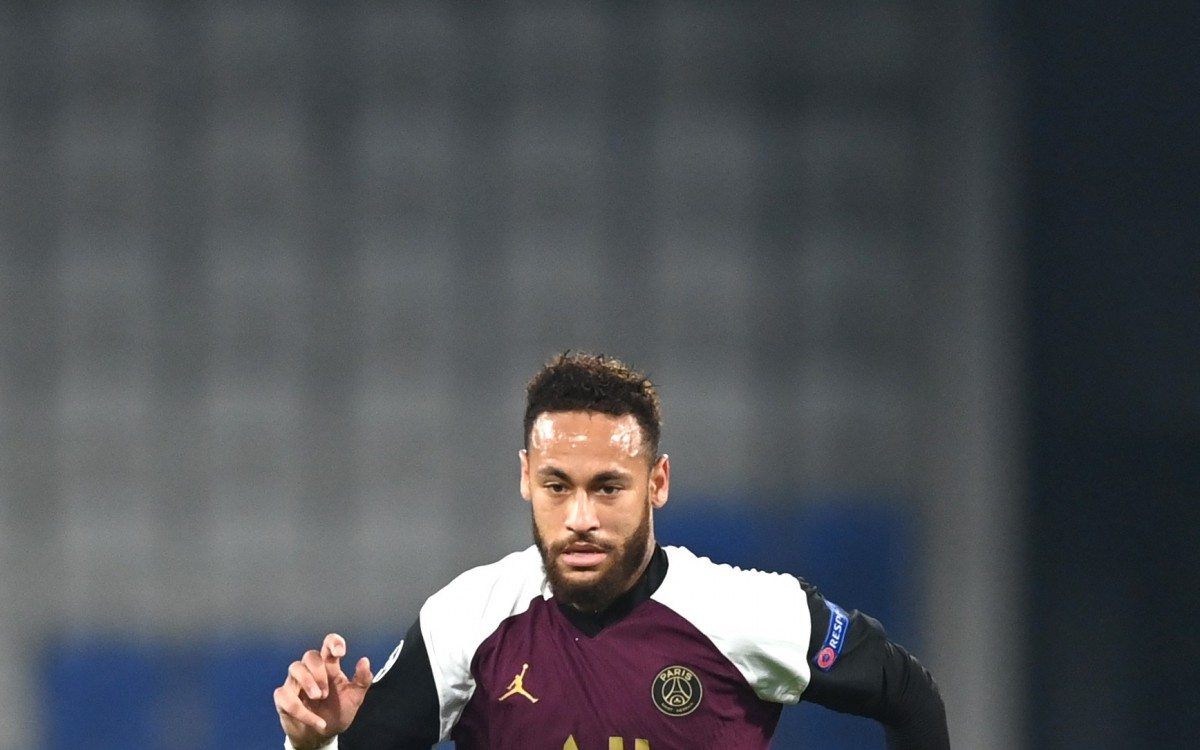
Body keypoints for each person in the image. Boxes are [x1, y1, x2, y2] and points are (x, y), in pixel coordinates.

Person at [274, 352, 950, 749]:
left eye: (608, 488)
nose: (580, 519)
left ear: (657, 483)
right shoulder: (468, 619)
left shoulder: (747, 611)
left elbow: (907, 693)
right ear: (524, 478)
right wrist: (315, 742)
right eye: (557, 486)